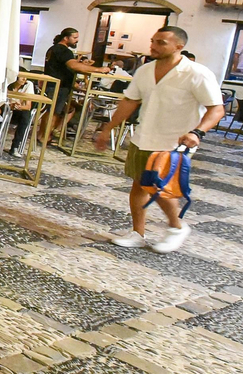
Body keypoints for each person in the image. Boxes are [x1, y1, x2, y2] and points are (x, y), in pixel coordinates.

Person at [94, 26, 224, 253]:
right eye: (153, 41)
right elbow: (129, 101)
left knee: (157, 186)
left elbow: (217, 109)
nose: (153, 45)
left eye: (161, 42)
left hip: (176, 141)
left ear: (179, 47)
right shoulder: (144, 71)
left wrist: (198, 132)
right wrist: (108, 128)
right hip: (144, 135)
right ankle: (138, 233)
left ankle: (176, 227)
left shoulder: (197, 73)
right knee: (138, 183)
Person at [42, 28, 112, 143]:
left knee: (68, 109)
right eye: (74, 38)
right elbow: (74, 66)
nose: (77, 40)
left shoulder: (54, 49)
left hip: (57, 85)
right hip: (58, 86)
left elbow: (69, 66)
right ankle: (44, 136)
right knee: (54, 112)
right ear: (66, 38)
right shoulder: (64, 51)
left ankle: (53, 132)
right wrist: (99, 69)